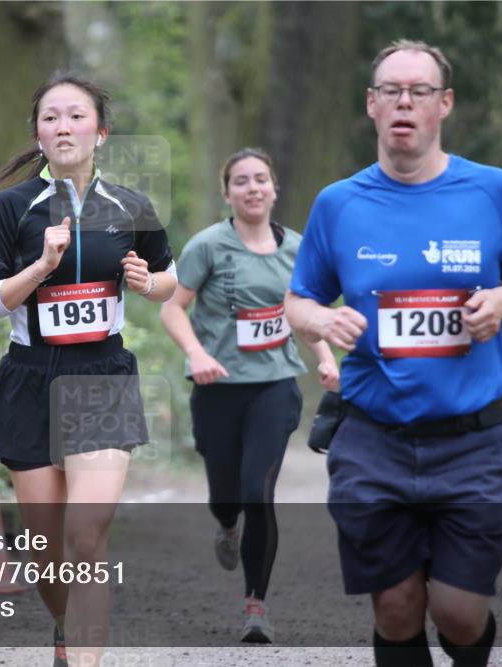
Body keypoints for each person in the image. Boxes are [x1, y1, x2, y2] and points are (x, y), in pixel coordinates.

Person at [284, 39, 502, 666]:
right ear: (372, 105)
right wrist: (323, 318)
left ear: (444, 104)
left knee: (459, 615)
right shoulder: (339, 203)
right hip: (373, 438)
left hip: (472, 439)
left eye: (420, 91)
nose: (405, 102)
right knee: (398, 609)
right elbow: (298, 303)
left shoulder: (493, 191)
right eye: (391, 91)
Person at [0, 73, 176, 667]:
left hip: (102, 378)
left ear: (101, 132)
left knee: (87, 538)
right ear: (37, 134)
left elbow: (169, 280)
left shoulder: (131, 205)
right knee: (47, 552)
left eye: (77, 116)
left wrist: (147, 282)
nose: (64, 126)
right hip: (29, 380)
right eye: (51, 117)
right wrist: (39, 268)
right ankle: (66, 633)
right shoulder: (12, 208)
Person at [159, 148, 339, 644]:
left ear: (274, 189)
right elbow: (173, 309)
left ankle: (255, 604)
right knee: (227, 494)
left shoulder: (299, 249)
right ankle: (225, 523)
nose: (253, 188)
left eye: (261, 179)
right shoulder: (208, 246)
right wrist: (195, 353)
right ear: (228, 193)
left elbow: (305, 311)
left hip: (275, 386)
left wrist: (325, 357)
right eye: (242, 181)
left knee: (258, 491)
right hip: (217, 388)